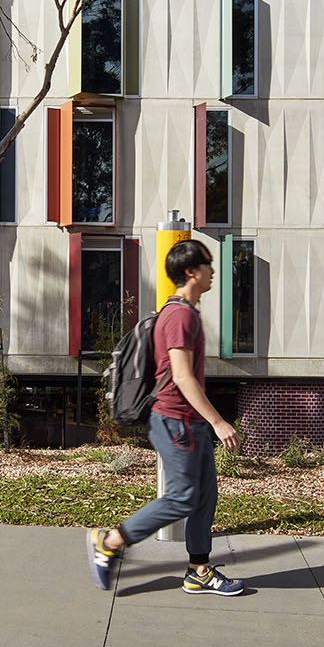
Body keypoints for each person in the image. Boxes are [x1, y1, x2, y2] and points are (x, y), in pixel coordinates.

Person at [86, 239, 244, 596]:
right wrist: (219, 422)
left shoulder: (185, 312)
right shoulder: (180, 316)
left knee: (204, 496)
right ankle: (110, 541)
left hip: (189, 422)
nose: (213, 271)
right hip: (176, 422)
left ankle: (198, 570)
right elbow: (183, 376)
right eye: (207, 264)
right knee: (182, 497)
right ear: (192, 272)